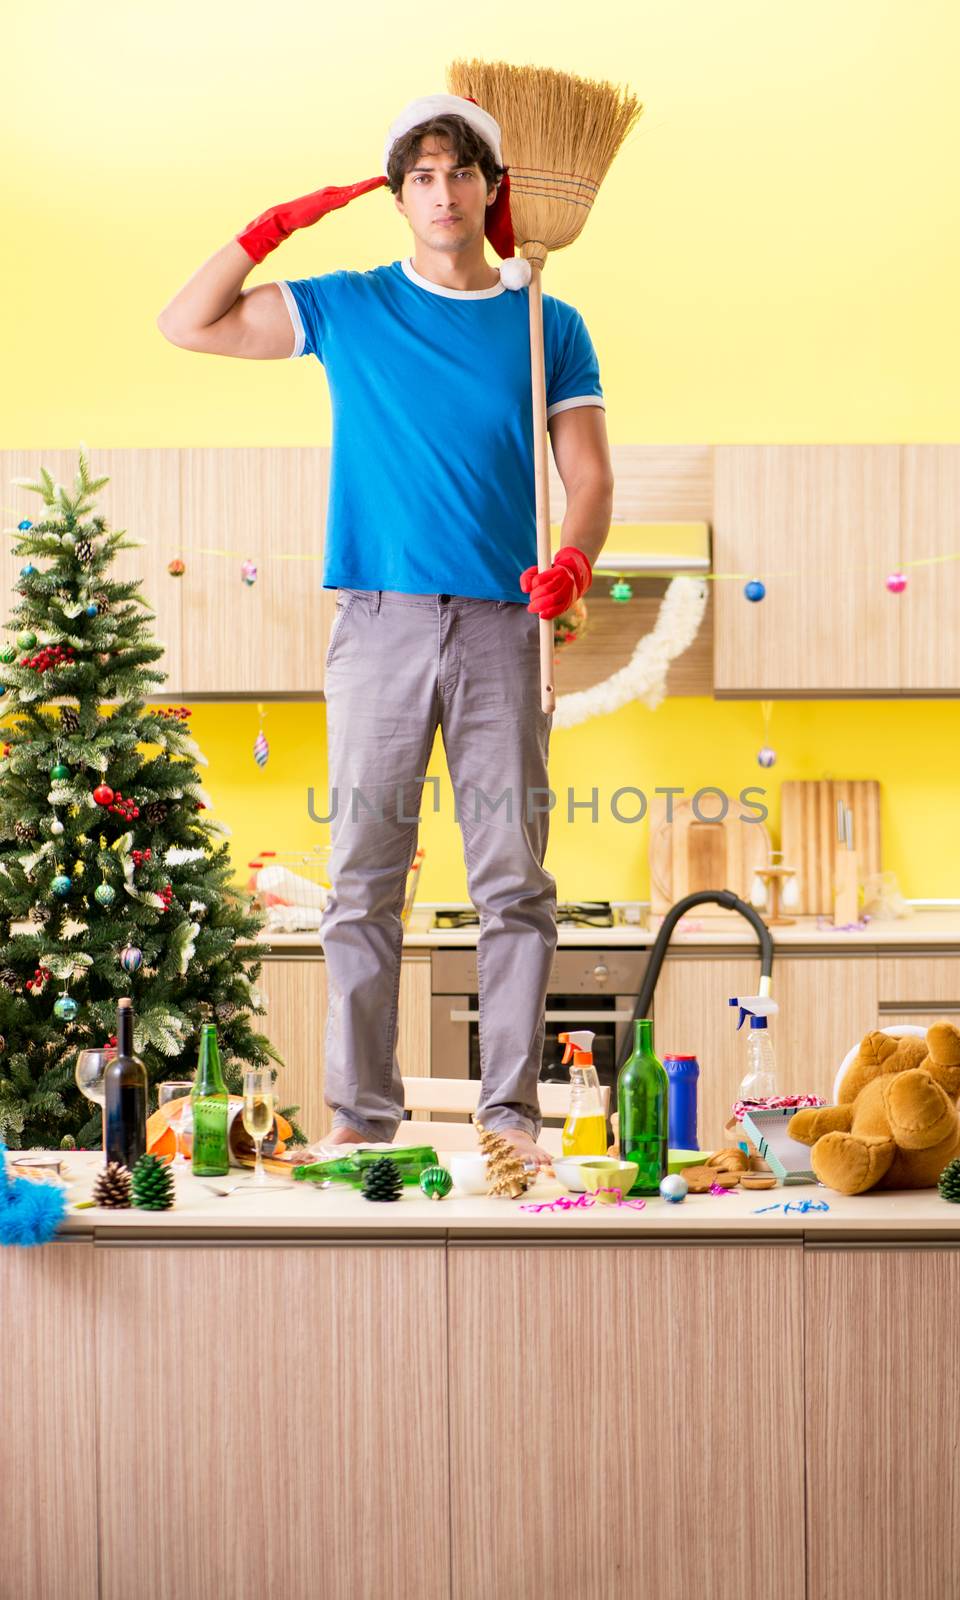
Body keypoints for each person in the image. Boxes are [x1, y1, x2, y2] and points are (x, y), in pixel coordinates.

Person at [157, 94, 613, 1170]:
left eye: (461, 173)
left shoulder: (549, 321)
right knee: (364, 876)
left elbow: (586, 474)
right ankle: (363, 1115)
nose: (443, 192)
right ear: (398, 194)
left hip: (507, 627)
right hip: (379, 623)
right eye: (422, 176)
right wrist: (276, 225)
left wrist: (577, 559)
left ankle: (510, 1121)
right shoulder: (350, 306)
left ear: (493, 190)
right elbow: (189, 321)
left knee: (513, 882)